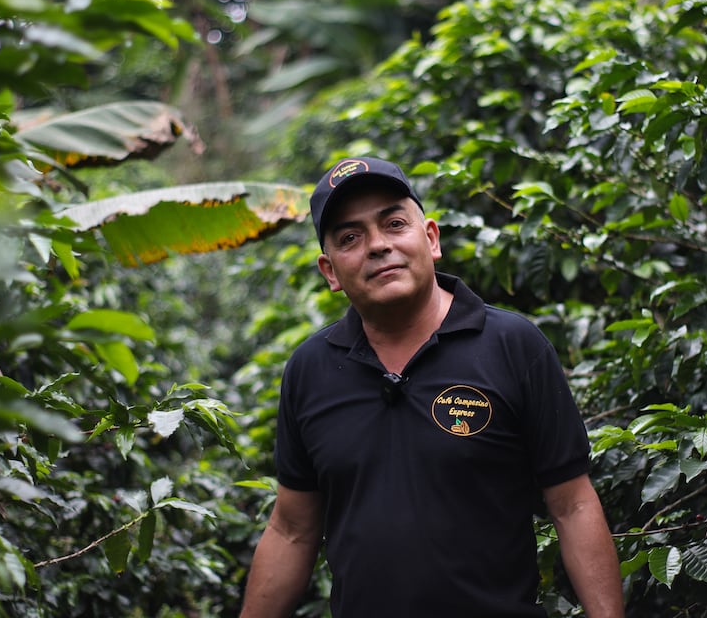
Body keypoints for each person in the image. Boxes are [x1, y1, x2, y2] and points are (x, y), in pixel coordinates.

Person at [240, 157, 624, 618]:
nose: (378, 246)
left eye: (395, 223)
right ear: (330, 272)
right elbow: (292, 531)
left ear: (431, 238)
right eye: (350, 238)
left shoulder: (513, 346)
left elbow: (573, 506)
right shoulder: (310, 370)